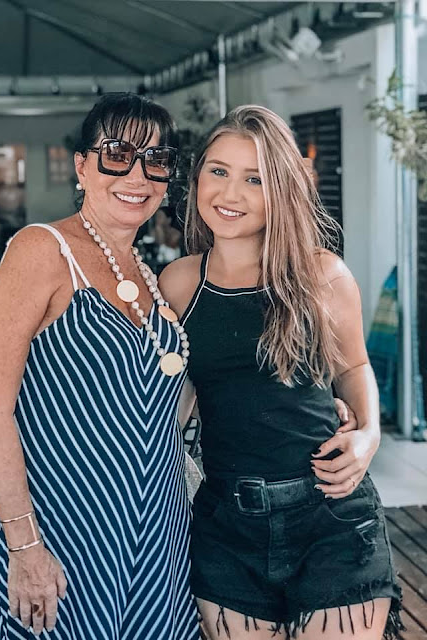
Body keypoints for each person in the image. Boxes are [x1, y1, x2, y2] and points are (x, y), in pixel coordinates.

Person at [159, 106, 403, 640]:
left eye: (255, 179)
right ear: (197, 177)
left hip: (331, 514)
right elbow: (176, 394)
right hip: (228, 526)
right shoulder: (178, 283)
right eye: (218, 171)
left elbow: (353, 364)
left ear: (282, 190)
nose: (230, 193)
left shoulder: (322, 275)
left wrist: (368, 436)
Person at [0, 92, 199, 640]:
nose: (137, 175)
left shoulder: (148, 275)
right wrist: (25, 547)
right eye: (117, 154)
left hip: (157, 531)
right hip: (59, 530)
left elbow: (166, 400)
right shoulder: (41, 250)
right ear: (82, 165)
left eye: (156, 160)